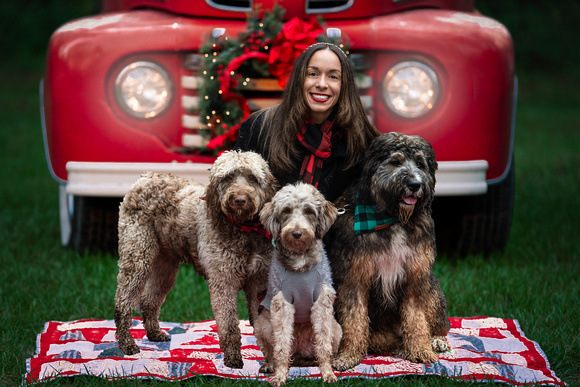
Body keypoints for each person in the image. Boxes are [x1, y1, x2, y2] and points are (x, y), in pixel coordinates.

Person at [234, 42, 380, 202]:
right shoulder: (258, 127)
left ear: (344, 85)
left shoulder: (362, 139)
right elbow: (231, 184)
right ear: (299, 79)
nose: (322, 84)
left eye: (333, 76)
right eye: (313, 74)